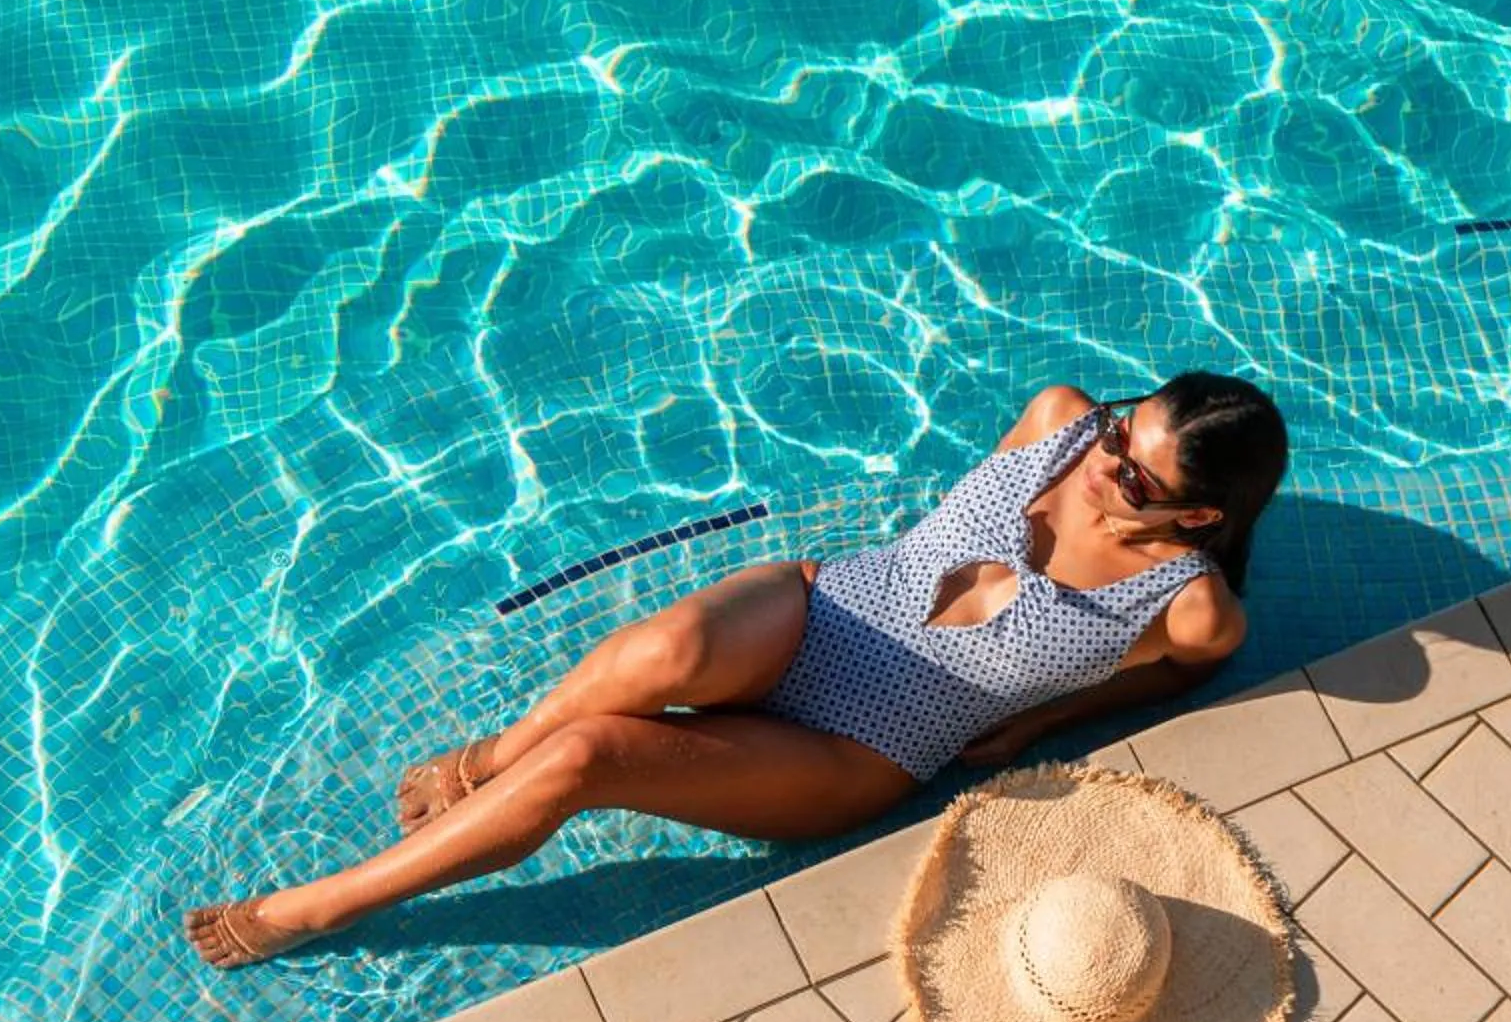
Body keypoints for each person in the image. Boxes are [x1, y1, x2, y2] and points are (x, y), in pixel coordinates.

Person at [186, 375, 1289, 969]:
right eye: (1122, 436)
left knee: (591, 758)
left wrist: (1042, 724)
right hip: (823, 608)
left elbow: (1176, 677)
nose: (1107, 469)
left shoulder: (1189, 607)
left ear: (1199, 514)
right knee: (664, 652)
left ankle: (318, 908)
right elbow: (1044, 460)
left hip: (855, 749)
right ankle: (489, 757)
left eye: (1141, 484)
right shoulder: (1059, 422)